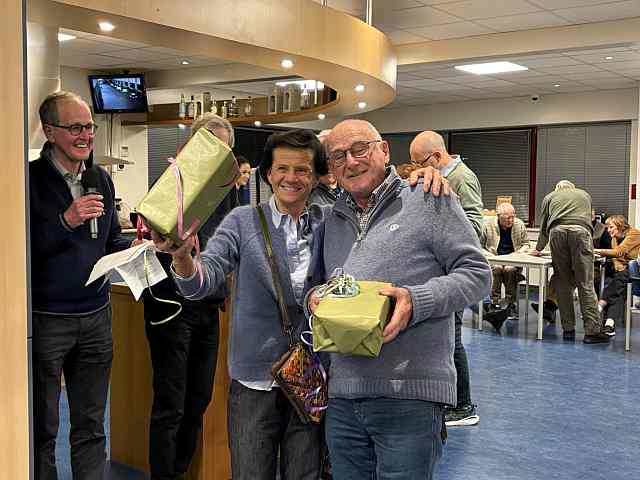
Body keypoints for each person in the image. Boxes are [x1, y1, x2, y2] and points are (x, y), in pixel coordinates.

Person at [317, 120, 491, 479]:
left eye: (360, 149)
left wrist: (416, 300)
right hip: (343, 397)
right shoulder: (332, 219)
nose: (351, 161)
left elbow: (477, 274)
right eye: (338, 156)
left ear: (384, 150)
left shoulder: (428, 198)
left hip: (409, 396)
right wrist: (316, 298)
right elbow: (320, 285)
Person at [152, 129, 329, 480]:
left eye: (302, 170)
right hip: (255, 378)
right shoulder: (242, 221)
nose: (291, 178)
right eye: (281, 168)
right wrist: (183, 258)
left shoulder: (328, 223)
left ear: (315, 177)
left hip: (310, 374)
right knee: (250, 472)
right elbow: (203, 281)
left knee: (305, 473)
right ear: (268, 173)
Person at [30, 91, 133, 479]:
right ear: (49, 131)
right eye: (75, 127)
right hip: (47, 319)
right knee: (42, 428)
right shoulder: (28, 180)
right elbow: (18, 253)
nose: (86, 135)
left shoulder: (99, 178)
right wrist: (66, 221)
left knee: (91, 427)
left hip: (96, 317)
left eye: (89, 126)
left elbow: (109, 241)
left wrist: (139, 248)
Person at [142, 112, 239, 480]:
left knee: (199, 398)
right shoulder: (172, 182)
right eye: (211, 146)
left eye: (225, 150)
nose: (218, 156)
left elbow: (225, 244)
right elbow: (155, 235)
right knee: (171, 403)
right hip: (170, 304)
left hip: (207, 305)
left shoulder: (225, 190)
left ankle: (179, 471)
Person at [409, 130, 486, 427]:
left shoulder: (461, 178)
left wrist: (442, 237)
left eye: (420, 163)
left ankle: (463, 406)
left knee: (452, 343)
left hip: (452, 274)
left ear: (437, 156)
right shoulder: (444, 177)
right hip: (439, 272)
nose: (417, 169)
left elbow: (475, 226)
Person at [532, 180, 610, 343]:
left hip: (556, 232)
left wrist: (538, 249)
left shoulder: (549, 197)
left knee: (562, 282)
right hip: (581, 232)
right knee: (585, 283)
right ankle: (591, 332)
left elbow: (544, 228)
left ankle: (568, 329)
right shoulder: (584, 195)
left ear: (557, 189)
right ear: (573, 188)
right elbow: (589, 222)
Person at [594, 215, 640, 336]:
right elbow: (616, 258)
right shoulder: (614, 238)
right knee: (619, 291)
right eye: (607, 227)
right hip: (623, 274)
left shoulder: (634, 234)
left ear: (620, 226)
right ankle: (609, 324)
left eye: (611, 227)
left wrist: (596, 250)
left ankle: (600, 304)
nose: (608, 230)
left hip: (636, 271)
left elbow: (618, 252)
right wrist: (619, 267)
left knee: (622, 276)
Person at [482, 203, 530, 318]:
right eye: (507, 218)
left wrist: (517, 253)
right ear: (498, 217)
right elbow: (479, 246)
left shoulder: (519, 224)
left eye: (512, 217)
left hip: (513, 260)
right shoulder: (487, 225)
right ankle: (494, 303)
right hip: (494, 259)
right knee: (497, 268)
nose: (511, 220)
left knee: (510, 269)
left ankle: (510, 304)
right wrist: (491, 256)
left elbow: (526, 244)